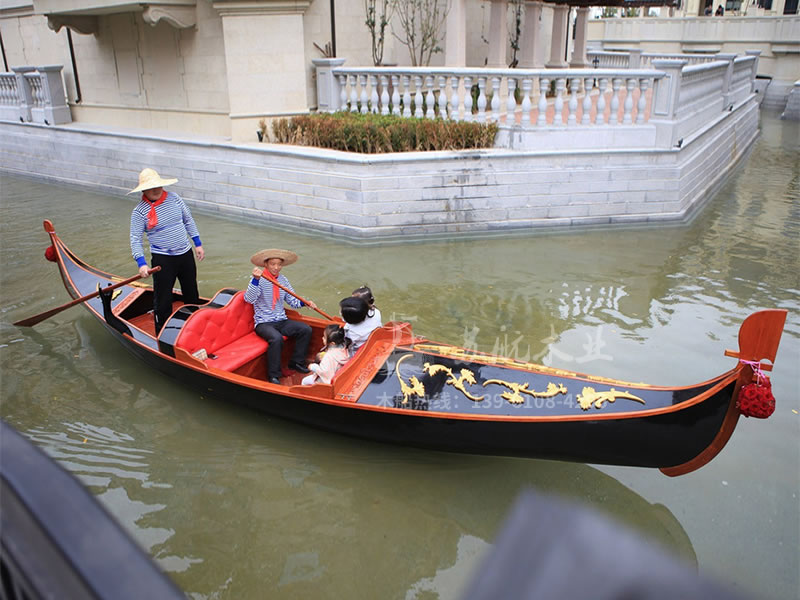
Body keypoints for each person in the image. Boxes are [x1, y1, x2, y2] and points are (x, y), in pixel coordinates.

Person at [129, 168, 205, 334]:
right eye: (151, 187)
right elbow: (135, 239)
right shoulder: (139, 212)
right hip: (163, 259)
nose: (156, 190)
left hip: (185, 254)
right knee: (163, 300)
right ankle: (163, 333)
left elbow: (188, 220)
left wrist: (197, 244)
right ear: (144, 190)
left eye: (158, 186)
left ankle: (195, 328)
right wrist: (141, 264)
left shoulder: (174, 198)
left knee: (191, 292)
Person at [245, 248, 317, 385]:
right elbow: (249, 299)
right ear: (265, 265)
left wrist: (305, 303)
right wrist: (255, 280)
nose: (276, 267)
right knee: (276, 339)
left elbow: (292, 301)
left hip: (281, 320)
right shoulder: (258, 279)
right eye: (273, 264)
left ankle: (296, 363)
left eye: (279, 264)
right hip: (263, 323)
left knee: (305, 329)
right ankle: (274, 375)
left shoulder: (283, 280)